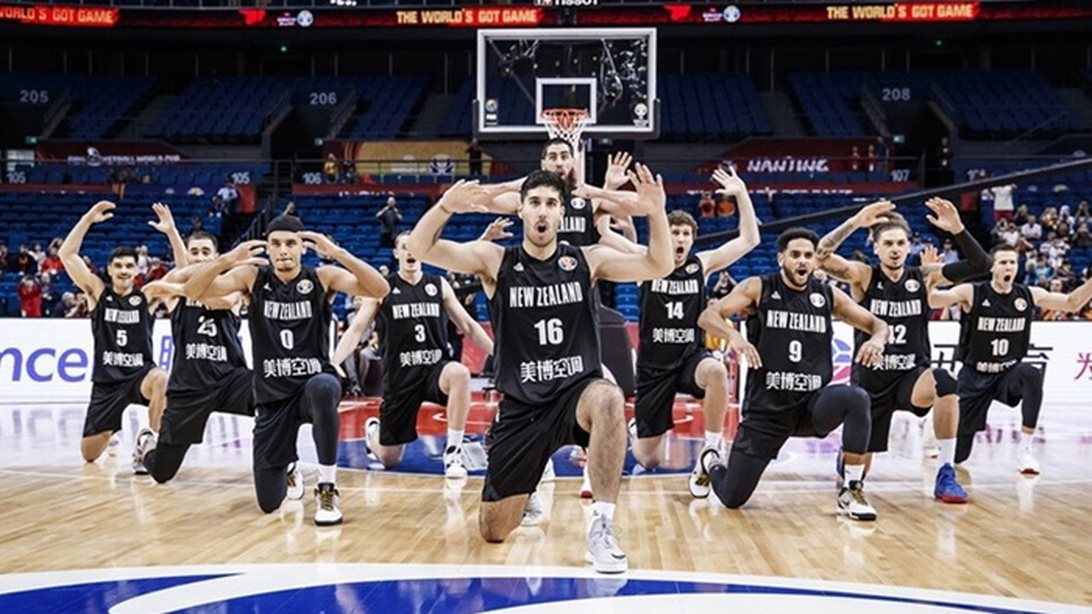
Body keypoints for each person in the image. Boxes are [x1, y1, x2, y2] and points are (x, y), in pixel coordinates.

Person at [407, 165, 673, 573]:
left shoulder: (588, 260)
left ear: (563, 214)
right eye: (534, 203)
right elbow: (423, 248)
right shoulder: (495, 261)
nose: (542, 211)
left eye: (551, 203)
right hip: (522, 405)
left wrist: (656, 213)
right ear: (521, 212)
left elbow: (658, 265)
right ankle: (524, 482)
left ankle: (602, 527)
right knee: (493, 530)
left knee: (608, 398)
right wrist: (446, 206)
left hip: (576, 393)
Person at [182, 214, 389, 525]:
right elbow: (193, 292)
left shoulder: (322, 277)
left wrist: (339, 253)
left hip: (311, 386)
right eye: (275, 244)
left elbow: (379, 289)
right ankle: (289, 465)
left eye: (291, 243)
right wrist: (225, 260)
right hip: (271, 396)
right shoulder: (252, 277)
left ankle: (327, 487)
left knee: (323, 386)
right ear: (267, 247)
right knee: (268, 503)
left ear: (302, 248)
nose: (283, 250)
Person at [695, 228, 889, 520]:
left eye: (808, 256)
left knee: (856, 398)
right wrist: (734, 336)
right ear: (781, 258)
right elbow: (708, 316)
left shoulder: (827, 295)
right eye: (795, 255)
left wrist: (877, 340)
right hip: (767, 410)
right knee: (733, 498)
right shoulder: (758, 288)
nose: (802, 261)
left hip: (812, 405)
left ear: (815, 262)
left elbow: (878, 324)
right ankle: (711, 461)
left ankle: (852, 487)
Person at [816, 198, 991, 504]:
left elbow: (982, 265)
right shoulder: (864, 276)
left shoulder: (924, 276)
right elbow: (820, 256)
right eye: (888, 243)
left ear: (909, 246)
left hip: (911, 376)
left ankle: (945, 472)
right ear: (876, 248)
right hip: (871, 383)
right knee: (855, 476)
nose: (895, 248)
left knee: (946, 382)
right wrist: (856, 221)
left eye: (901, 242)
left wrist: (959, 229)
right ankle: (849, 458)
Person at [630, 166, 760, 498]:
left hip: (689, 358)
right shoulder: (643, 261)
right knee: (649, 458)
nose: (680, 239)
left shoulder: (700, 265)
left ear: (693, 238)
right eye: (674, 233)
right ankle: (637, 432)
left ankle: (711, 451)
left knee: (716, 370)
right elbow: (603, 236)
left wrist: (741, 193)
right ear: (662, 235)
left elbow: (750, 239)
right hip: (653, 368)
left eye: (686, 234)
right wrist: (607, 198)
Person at [333, 232, 494, 479]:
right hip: (400, 378)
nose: (410, 252)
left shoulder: (438, 284)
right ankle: (373, 433)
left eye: (414, 247)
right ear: (396, 253)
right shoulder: (382, 289)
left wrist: (498, 353)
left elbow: (469, 325)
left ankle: (452, 454)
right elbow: (356, 329)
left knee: (459, 373)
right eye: (404, 248)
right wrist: (334, 361)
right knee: (389, 459)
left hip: (434, 371)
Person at [928, 245, 1092, 474]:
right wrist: (931, 274)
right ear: (993, 266)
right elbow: (933, 300)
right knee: (958, 456)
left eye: (1012, 262)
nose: (1008, 267)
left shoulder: (1028, 294)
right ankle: (940, 428)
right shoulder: (972, 292)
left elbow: (1071, 303)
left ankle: (1025, 450)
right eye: (1003, 262)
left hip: (1007, 373)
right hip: (974, 375)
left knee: (1031, 374)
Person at [131, 202, 256, 484]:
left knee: (273, 395)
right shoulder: (178, 296)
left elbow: (220, 300)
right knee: (162, 473)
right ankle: (147, 443)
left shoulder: (233, 286)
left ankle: (283, 463)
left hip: (230, 379)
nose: (200, 257)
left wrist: (168, 286)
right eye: (194, 252)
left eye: (206, 252)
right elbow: (185, 274)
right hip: (189, 387)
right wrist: (173, 233)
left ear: (218, 257)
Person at [58, 201, 169, 468]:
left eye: (128, 266)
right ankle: (112, 434)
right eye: (117, 265)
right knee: (89, 455)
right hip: (107, 382)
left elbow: (184, 274)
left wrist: (171, 231)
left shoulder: (148, 295)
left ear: (136, 271)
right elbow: (67, 255)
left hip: (139, 375)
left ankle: (148, 443)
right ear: (109, 270)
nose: (123, 270)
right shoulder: (98, 292)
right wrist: (86, 219)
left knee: (163, 379)